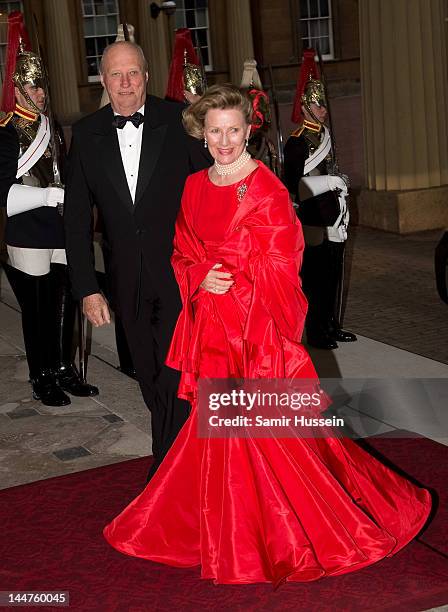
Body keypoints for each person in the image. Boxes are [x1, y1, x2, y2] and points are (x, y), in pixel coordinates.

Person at [103, 85, 431, 585]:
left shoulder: (266, 188)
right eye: (216, 131)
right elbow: (181, 253)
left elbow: (285, 261)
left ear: (248, 130)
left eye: (234, 129)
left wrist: (236, 275)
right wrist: (200, 276)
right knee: (221, 433)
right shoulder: (193, 186)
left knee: (273, 435)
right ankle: (229, 531)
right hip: (214, 324)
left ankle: (279, 532)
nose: (226, 140)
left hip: (257, 328)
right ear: (202, 133)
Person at [63, 41, 210, 478]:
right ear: (103, 81)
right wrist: (88, 287)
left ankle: (168, 468)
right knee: (145, 371)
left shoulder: (179, 121)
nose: (124, 83)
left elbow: (212, 188)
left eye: (132, 73)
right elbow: (74, 220)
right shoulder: (85, 133)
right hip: (125, 277)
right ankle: (178, 449)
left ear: (146, 76)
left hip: (179, 273)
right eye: (115, 74)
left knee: (171, 372)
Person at [0, 11, 98, 406]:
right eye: (31, 86)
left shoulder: (51, 125)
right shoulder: (6, 132)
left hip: (59, 227)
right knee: (37, 306)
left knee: (67, 300)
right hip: (28, 227)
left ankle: (63, 367)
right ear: (17, 88)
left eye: (41, 87)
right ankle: (41, 374)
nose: (40, 93)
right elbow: (4, 194)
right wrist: (47, 196)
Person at [283, 48, 357, 350]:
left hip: (334, 214)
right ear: (305, 106)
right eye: (317, 104)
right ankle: (316, 332)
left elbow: (332, 169)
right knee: (317, 280)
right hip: (313, 217)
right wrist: (329, 182)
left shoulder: (325, 133)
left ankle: (331, 324)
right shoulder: (297, 141)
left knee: (334, 275)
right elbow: (293, 185)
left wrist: (341, 195)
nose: (323, 109)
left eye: (323, 103)